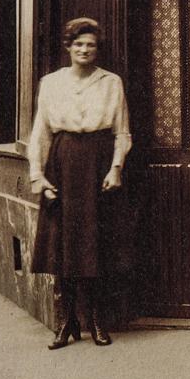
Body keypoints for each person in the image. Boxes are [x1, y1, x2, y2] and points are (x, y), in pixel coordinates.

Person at [28, 18, 132, 349]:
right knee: (62, 245)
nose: (85, 50)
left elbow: (122, 131)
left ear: (97, 49)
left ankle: (97, 322)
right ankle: (64, 323)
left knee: (96, 243)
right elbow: (41, 132)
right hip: (63, 162)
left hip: (98, 163)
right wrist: (38, 175)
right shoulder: (51, 83)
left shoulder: (111, 83)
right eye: (79, 44)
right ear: (68, 48)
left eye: (91, 45)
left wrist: (115, 168)